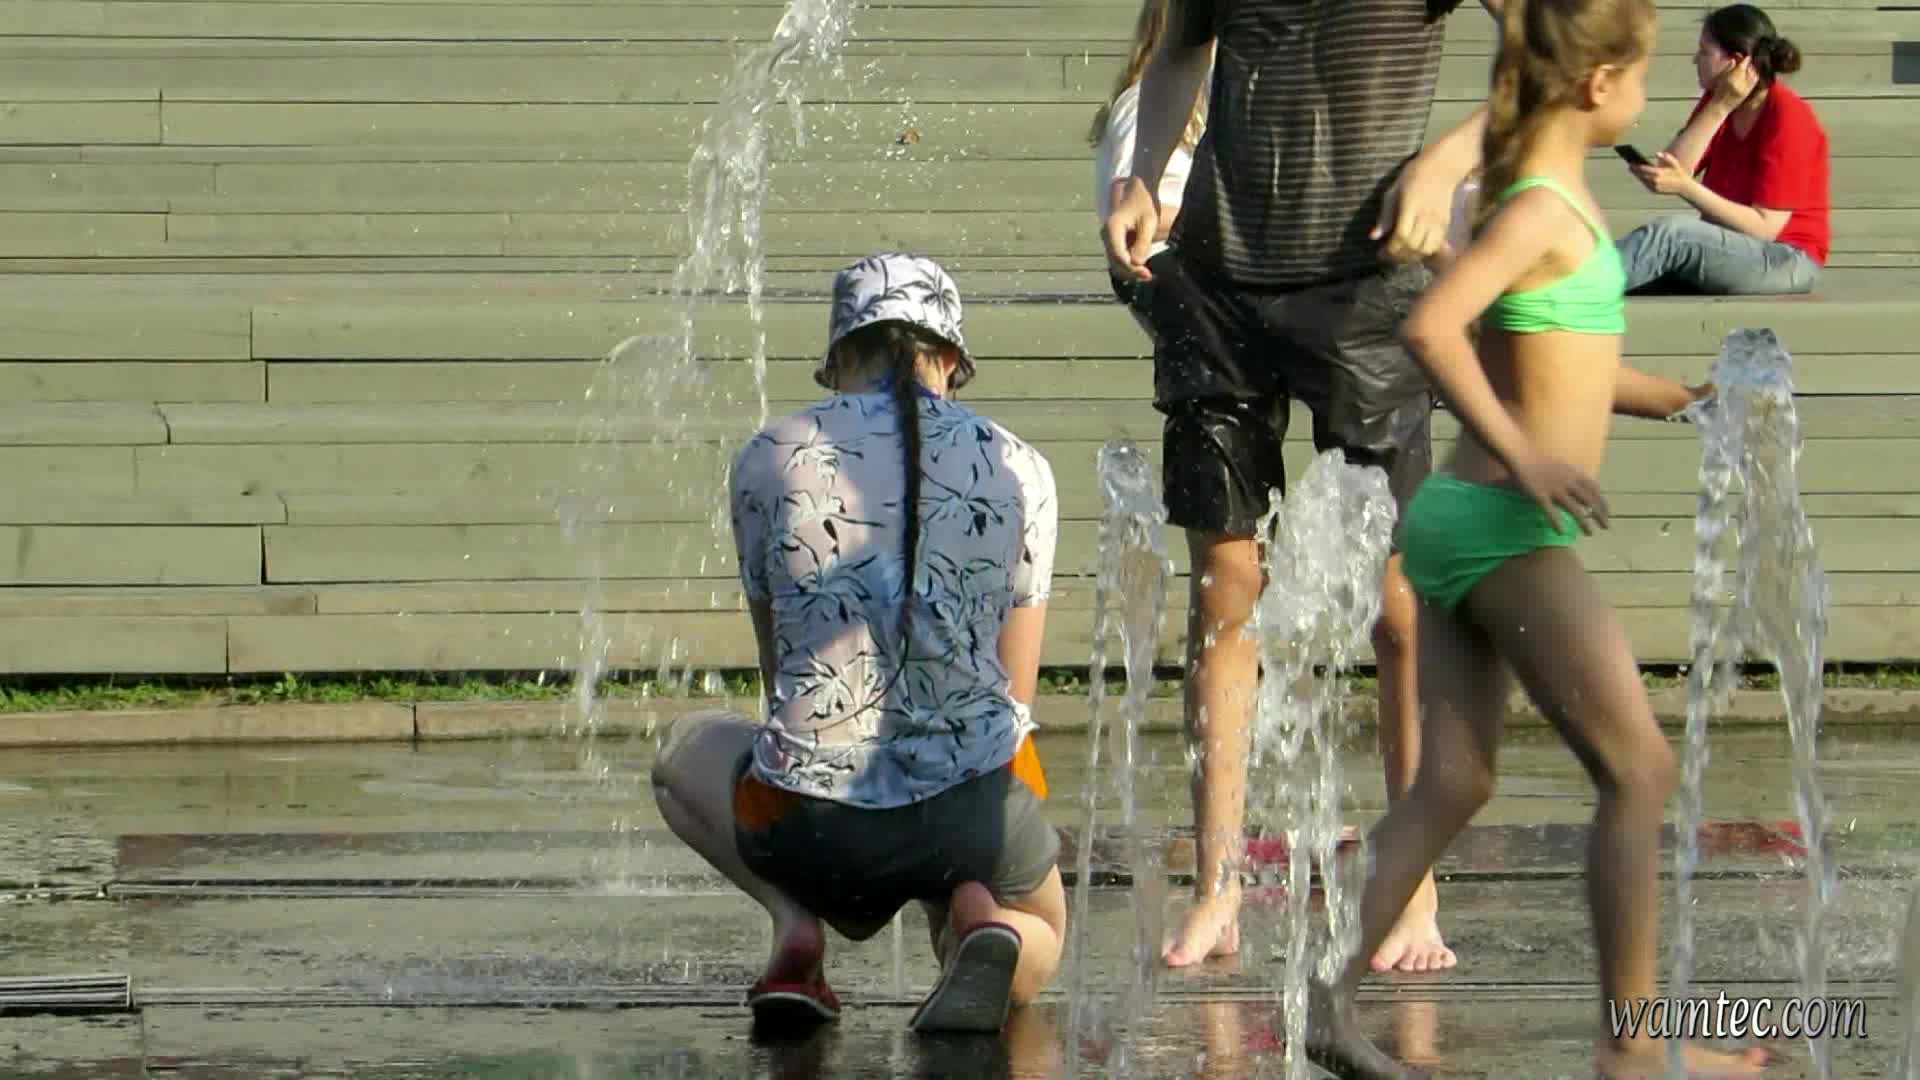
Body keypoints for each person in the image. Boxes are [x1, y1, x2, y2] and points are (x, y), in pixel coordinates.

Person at [1300, 0, 1774, 1076]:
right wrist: (1523, 455)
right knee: (1639, 771)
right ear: (1598, 85)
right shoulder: (1543, 209)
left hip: (1461, 521)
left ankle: (1325, 1003)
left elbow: (1569, 360)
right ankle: (1633, 1049)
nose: (1650, 95)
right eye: (1644, 75)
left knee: (1454, 781)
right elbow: (1432, 329)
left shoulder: (1551, 202)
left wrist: (1690, 401)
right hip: (1500, 526)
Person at [1102, 0, 1503, 974]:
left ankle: (1409, 885)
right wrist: (1143, 175)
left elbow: (1553, 52)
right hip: (1216, 283)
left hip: (1369, 286)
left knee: (1399, 607)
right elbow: (1178, 50)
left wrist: (1451, 158)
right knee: (1225, 590)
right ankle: (1219, 887)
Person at [650, 252, 1066, 1036]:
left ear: (840, 358)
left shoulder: (769, 455)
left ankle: (794, 925)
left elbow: (781, 671)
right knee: (1042, 921)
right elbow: (1015, 698)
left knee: (678, 759)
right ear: (950, 359)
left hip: (808, 819)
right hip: (969, 812)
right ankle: (980, 913)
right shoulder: (1023, 467)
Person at [1614, 4, 1827, 295]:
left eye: (1704, 52)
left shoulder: (1788, 116)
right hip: (1733, 249)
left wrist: (1687, 187)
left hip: (1786, 258)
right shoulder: (1717, 102)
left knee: (1673, 236)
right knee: (1649, 258)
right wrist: (1720, 107)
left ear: (1735, 62)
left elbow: (1765, 228)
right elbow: (1673, 167)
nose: (1695, 60)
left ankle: (1567, 289)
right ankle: (1566, 283)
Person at [1090, 0, 1213, 336]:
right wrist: (1226, 217)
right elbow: (1124, 204)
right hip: (1162, 265)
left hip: (1180, 264)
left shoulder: (1194, 105)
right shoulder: (1143, 104)